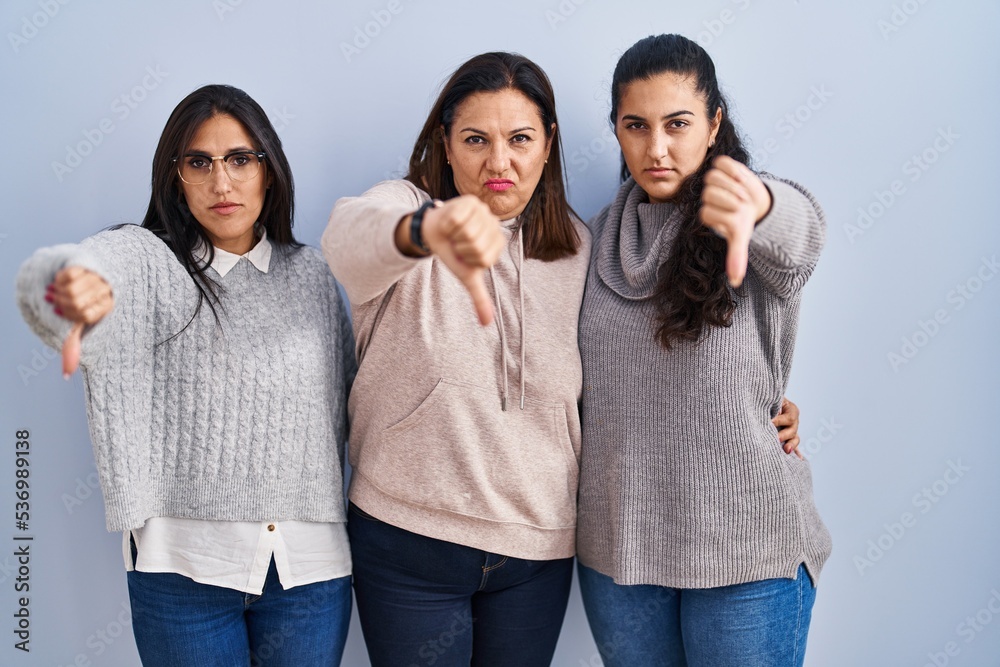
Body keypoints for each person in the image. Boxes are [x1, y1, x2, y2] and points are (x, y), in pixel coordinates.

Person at [16, 84, 355, 666]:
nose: (221, 184)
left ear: (268, 170)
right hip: (182, 575)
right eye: (199, 163)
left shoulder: (315, 277)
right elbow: (101, 264)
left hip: (310, 575)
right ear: (176, 177)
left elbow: (347, 410)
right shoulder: (151, 262)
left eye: (240, 160)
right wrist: (73, 285)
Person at [322, 52, 590, 666]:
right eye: (475, 140)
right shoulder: (404, 209)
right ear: (445, 146)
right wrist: (426, 231)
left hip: (537, 552)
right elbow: (346, 238)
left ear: (548, 145)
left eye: (520, 139)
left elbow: (626, 364)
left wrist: (760, 408)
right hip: (408, 540)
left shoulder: (579, 248)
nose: (499, 162)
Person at [575, 34, 831, 666]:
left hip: (746, 550)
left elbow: (803, 234)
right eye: (635, 126)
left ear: (715, 124)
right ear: (615, 129)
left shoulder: (745, 211)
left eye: (678, 124)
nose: (656, 148)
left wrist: (759, 203)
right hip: (621, 557)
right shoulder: (595, 238)